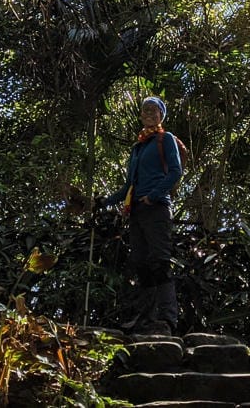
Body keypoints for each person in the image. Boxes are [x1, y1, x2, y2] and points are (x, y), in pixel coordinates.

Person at [100, 95, 182, 336]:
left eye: (153, 110)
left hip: (156, 208)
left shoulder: (164, 139)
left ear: (161, 115)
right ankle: (147, 319)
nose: (148, 113)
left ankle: (168, 319)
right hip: (136, 211)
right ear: (141, 115)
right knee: (142, 263)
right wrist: (105, 201)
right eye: (145, 110)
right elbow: (128, 186)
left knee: (160, 260)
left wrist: (154, 195)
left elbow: (175, 172)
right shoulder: (137, 148)